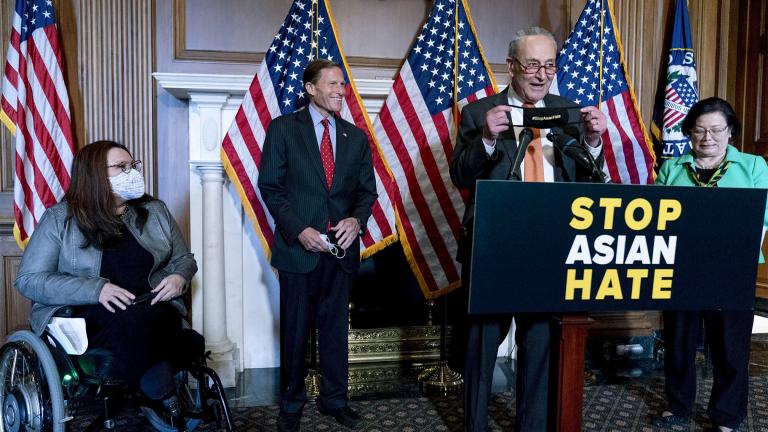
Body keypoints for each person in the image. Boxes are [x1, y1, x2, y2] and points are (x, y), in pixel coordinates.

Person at [449, 27, 608, 432]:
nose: (541, 75)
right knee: (481, 347)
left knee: (539, 347)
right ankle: (475, 426)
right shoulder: (479, 112)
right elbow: (459, 176)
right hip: (493, 249)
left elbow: (588, 185)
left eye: (550, 65)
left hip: (550, 251)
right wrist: (486, 137)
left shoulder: (569, 111)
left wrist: (592, 141)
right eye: (532, 65)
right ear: (512, 66)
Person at [14, 140, 202, 418]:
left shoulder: (155, 211)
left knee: (173, 329)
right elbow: (29, 279)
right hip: (87, 311)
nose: (133, 172)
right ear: (95, 175)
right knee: (151, 331)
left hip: (150, 305)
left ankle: (151, 380)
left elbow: (185, 259)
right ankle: (159, 389)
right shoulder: (60, 219)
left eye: (133, 165)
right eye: (122, 167)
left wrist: (178, 277)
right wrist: (96, 289)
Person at [258, 58, 377, 432]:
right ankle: (291, 405)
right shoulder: (282, 130)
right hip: (298, 251)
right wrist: (299, 230)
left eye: (343, 85)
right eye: (333, 84)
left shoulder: (355, 137)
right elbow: (271, 188)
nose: (341, 91)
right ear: (310, 88)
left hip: (340, 253)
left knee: (334, 330)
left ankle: (334, 400)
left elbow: (366, 193)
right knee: (295, 331)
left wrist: (356, 221)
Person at [654, 97, 767, 432]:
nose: (708, 138)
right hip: (680, 267)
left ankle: (727, 416)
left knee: (730, 347)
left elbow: (759, 218)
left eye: (717, 130)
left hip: (732, 267)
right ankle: (677, 406)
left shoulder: (754, 167)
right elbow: (656, 217)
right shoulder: (672, 168)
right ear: (689, 133)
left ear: (730, 132)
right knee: (678, 343)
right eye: (699, 131)